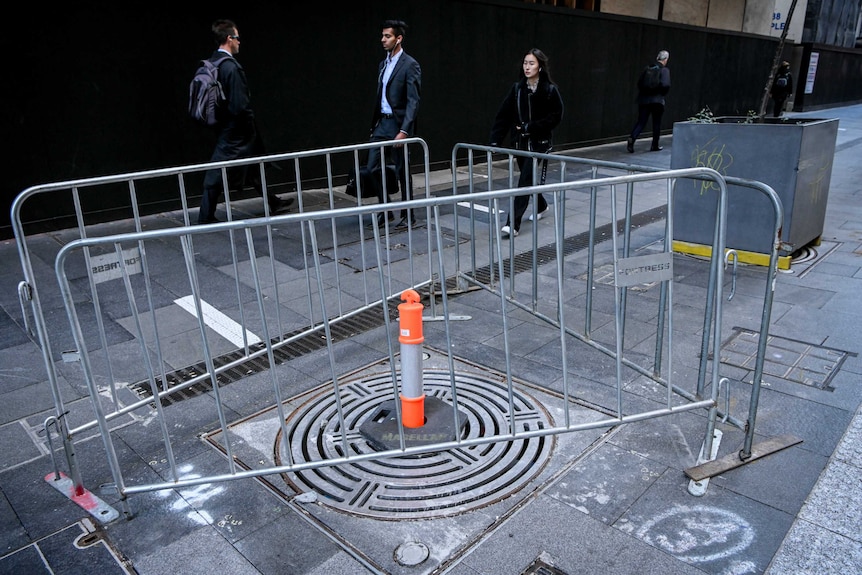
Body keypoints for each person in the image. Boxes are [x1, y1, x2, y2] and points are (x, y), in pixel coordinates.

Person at [198, 19, 292, 224]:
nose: (240, 42)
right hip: (236, 131)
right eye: (238, 38)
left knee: (253, 165)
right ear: (229, 38)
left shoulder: (214, 62)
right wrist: (246, 125)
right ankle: (205, 216)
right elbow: (239, 105)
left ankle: (273, 202)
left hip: (227, 128)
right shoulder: (230, 67)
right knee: (217, 170)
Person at [489, 48, 564, 238]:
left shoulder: (549, 90)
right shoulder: (518, 89)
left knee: (524, 182)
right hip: (520, 144)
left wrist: (530, 127)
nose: (527, 67)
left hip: (539, 143)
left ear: (540, 66)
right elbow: (503, 115)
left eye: (531, 63)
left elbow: (556, 116)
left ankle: (512, 224)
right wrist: (495, 141)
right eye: (525, 63)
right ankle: (542, 205)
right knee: (528, 178)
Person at [366, 19, 422, 228]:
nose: (383, 40)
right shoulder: (383, 64)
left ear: (399, 39)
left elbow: (413, 101)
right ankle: (385, 210)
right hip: (382, 124)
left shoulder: (410, 64)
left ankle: (409, 215)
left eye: (387, 36)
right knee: (371, 168)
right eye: (382, 36)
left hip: (398, 126)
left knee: (402, 171)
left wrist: (405, 130)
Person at [626, 50, 671, 153]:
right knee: (656, 123)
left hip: (644, 99)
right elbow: (666, 85)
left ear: (657, 58)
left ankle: (632, 138)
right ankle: (654, 145)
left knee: (641, 121)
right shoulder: (664, 70)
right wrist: (661, 93)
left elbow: (639, 83)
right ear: (666, 59)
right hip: (657, 100)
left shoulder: (647, 69)